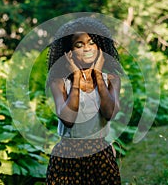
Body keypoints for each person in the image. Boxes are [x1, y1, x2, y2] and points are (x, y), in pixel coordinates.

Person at [46, 17, 122, 184]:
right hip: (67, 155)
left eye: (91, 42)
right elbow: (68, 119)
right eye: (79, 45)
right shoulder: (60, 82)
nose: (87, 49)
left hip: (100, 153)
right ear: (69, 52)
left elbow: (109, 113)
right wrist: (77, 78)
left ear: (100, 47)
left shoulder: (111, 79)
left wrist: (97, 75)